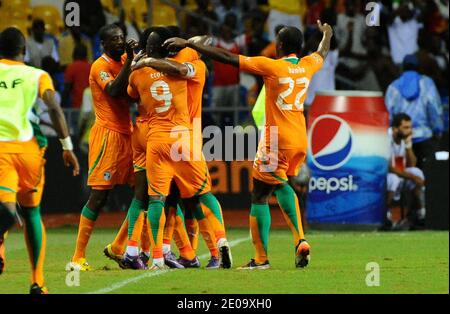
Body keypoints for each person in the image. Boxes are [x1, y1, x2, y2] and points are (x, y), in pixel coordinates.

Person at [164, 20, 333, 269]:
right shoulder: (308, 65)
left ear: (281, 45)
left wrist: (189, 43)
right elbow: (322, 52)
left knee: (259, 194)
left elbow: (227, 57)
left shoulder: (271, 66)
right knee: (280, 182)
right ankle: (300, 241)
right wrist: (327, 33)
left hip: (276, 138)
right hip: (299, 137)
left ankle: (262, 258)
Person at [127, 27, 232, 270]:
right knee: (199, 197)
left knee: (158, 200)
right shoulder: (190, 61)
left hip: (155, 137)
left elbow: (130, 94)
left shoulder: (138, 72)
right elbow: (206, 39)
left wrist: (141, 60)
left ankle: (158, 254)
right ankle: (213, 247)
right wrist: (185, 43)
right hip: (187, 134)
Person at [0, 27, 79, 294]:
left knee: (5, 209)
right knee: (32, 212)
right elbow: (54, 107)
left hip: (1, 152)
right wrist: (67, 146)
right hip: (30, 152)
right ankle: (38, 281)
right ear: (24, 51)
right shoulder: (37, 75)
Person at [69, 24, 138, 271]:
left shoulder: (123, 60)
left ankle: (120, 247)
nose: (120, 42)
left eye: (122, 37)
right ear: (104, 44)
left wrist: (137, 61)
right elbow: (115, 90)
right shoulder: (99, 66)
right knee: (100, 197)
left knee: (143, 192)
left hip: (128, 133)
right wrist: (131, 60)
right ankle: (77, 256)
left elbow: (132, 94)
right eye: (115, 39)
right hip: (107, 135)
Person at [385, 54, 444, 169]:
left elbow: (388, 115)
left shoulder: (393, 86)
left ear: (402, 68)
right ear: (418, 67)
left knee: (405, 176)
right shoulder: (427, 83)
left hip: (402, 140)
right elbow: (434, 108)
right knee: (425, 177)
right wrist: (438, 130)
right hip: (425, 137)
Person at [385, 113, 426, 230]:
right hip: (383, 175)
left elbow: (411, 164)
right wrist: (412, 177)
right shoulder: (386, 138)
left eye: (410, 127)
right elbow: (388, 167)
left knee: (417, 172)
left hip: (399, 173)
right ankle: (384, 214)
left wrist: (408, 146)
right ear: (395, 129)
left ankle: (419, 214)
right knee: (394, 179)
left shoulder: (403, 140)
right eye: (406, 127)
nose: (410, 131)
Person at [63, 44, 92, 108]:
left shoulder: (71, 67)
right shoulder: (91, 67)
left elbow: (67, 89)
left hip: (77, 106)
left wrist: (62, 105)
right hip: (91, 106)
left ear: (74, 54)